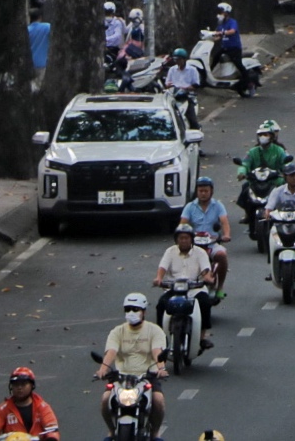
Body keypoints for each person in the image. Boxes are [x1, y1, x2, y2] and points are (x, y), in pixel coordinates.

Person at [97, 293, 165, 439]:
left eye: (135, 309)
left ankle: (155, 433)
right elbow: (111, 351)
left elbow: (157, 351)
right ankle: (111, 430)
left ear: (144, 311)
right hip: (121, 378)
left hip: (148, 376)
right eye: (128, 309)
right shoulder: (117, 332)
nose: (131, 313)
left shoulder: (154, 331)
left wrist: (161, 368)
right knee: (105, 399)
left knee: (158, 400)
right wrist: (103, 368)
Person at [152, 222, 214, 350]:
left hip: (194, 289)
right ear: (176, 240)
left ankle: (202, 337)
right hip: (174, 289)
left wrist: (207, 277)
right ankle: (160, 338)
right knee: (161, 305)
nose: (184, 241)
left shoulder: (200, 252)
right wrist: (159, 278)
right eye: (181, 238)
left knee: (205, 303)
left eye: (186, 238)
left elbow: (205, 269)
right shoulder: (170, 251)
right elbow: (162, 267)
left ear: (191, 239)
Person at [180, 179, 233, 298]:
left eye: (206, 191)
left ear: (211, 191)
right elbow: (182, 225)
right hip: (194, 245)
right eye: (200, 191)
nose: (203, 193)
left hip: (212, 243)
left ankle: (220, 287)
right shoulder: (189, 207)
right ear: (197, 192)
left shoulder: (218, 205)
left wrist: (226, 235)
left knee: (222, 255)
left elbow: (224, 222)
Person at [0, 366, 58, 440]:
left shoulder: (42, 407)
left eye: (23, 384)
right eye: (16, 384)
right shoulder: (3, 409)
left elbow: (52, 429)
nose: (19, 388)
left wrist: (51, 438)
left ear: (32, 386)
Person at [236, 121, 289, 224]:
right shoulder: (253, 151)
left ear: (271, 136)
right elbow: (245, 164)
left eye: (265, 134)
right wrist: (241, 173)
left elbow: (286, 163)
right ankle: (249, 214)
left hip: (274, 180)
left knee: (285, 189)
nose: (263, 137)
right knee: (245, 189)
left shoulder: (279, 150)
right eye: (260, 134)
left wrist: (287, 171)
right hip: (256, 181)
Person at [209, 3, 245, 89]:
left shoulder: (232, 22)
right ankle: (209, 75)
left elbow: (232, 31)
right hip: (225, 47)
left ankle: (248, 80)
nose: (219, 14)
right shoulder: (220, 25)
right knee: (215, 58)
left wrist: (222, 33)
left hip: (234, 47)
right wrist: (210, 37)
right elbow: (217, 36)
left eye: (221, 12)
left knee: (238, 63)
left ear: (226, 13)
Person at [163, 49, 201, 127]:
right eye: (175, 60)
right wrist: (169, 85)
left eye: (179, 60)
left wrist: (185, 88)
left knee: (192, 119)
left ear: (184, 59)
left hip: (187, 96)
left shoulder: (192, 70)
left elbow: (195, 85)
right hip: (174, 95)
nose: (177, 62)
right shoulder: (172, 70)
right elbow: (167, 84)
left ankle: (196, 128)